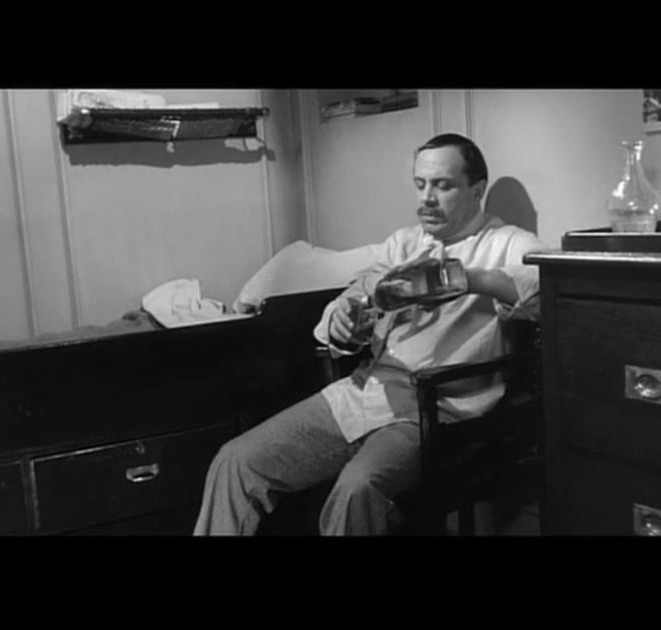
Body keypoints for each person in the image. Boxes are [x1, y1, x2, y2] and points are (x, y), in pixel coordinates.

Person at [193, 133, 546, 535]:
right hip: (364, 393)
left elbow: (544, 290)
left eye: (443, 185)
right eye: (420, 184)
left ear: (477, 190)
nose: (427, 198)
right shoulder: (402, 244)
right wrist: (342, 319)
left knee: (357, 490)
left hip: (434, 410)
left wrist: (470, 279)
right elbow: (352, 300)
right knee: (236, 461)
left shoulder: (508, 243)